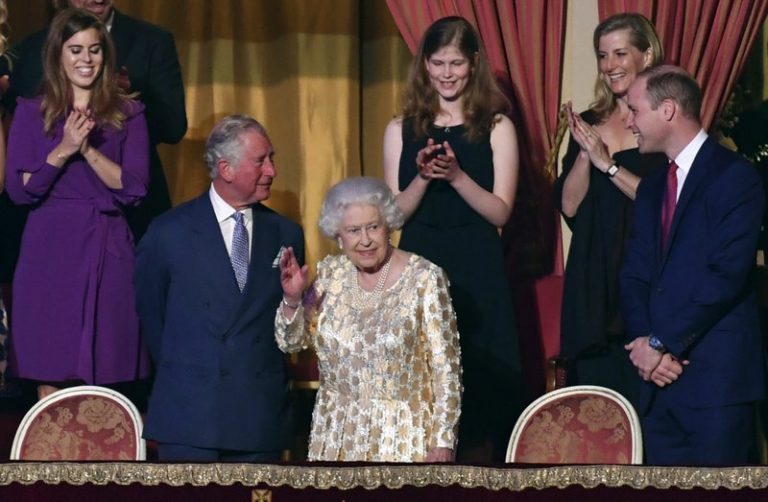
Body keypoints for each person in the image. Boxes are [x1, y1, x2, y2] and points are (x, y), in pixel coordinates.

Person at [383, 16, 519, 462]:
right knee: (422, 379)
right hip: (420, 261)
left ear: (473, 64)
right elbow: (392, 216)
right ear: (424, 64)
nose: (446, 73)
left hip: (478, 265)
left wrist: (457, 176)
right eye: (437, 62)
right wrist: (423, 178)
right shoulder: (400, 128)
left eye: (456, 63)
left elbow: (500, 211)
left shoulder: (497, 126)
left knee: (478, 380)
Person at [134, 115, 304, 462]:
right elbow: (152, 318)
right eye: (261, 161)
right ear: (225, 169)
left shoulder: (286, 234)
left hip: (259, 417)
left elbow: (288, 330)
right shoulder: (169, 232)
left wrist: (292, 300)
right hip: (191, 417)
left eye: (272, 158)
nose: (272, 171)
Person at [621, 65, 765, 465]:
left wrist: (659, 342)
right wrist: (644, 346)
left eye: (634, 110)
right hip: (656, 384)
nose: (628, 121)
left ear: (667, 110)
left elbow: (726, 275)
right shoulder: (651, 187)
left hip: (716, 385)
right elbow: (633, 274)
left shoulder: (735, 177)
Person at [4, 8, 150, 399]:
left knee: (106, 366)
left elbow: (134, 188)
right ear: (58, 55)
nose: (86, 59)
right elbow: (20, 189)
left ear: (106, 55)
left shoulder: (129, 114)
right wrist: (65, 149)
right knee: (49, 362)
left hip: (108, 244)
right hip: (49, 249)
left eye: (95, 50)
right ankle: (52, 460)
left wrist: (87, 149)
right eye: (75, 49)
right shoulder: (30, 112)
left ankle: (103, 460)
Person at [276, 176, 462, 462]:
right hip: (336, 434)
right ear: (338, 236)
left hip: (403, 437)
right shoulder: (329, 277)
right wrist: (292, 300)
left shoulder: (425, 277)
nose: (365, 240)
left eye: (373, 227)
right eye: (353, 230)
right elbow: (292, 343)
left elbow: (446, 370)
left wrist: (443, 440)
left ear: (388, 226)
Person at [3, 0, 187, 244]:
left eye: (95, 50)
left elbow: (173, 127)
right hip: (50, 221)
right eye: (76, 51)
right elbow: (21, 127)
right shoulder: (33, 47)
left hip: (129, 216)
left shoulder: (152, 40)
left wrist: (126, 101)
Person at [553, 13, 667, 398]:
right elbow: (569, 207)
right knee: (597, 420)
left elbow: (666, 205)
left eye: (621, 53)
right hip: (593, 288)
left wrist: (609, 162)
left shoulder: (664, 122)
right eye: (603, 56)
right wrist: (587, 153)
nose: (610, 66)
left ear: (646, 55)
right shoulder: (589, 122)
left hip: (649, 281)